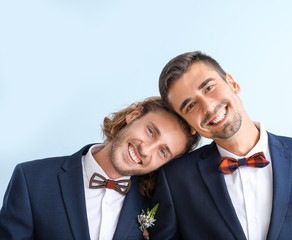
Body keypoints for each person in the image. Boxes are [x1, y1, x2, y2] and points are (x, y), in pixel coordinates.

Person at [150, 51, 292, 239]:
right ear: (189, 125)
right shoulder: (175, 178)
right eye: (191, 105)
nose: (209, 106)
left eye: (209, 87)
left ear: (233, 83)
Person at [0, 96, 200, 240]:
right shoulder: (31, 179)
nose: (146, 150)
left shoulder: (160, 204)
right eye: (150, 131)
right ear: (134, 115)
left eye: (163, 152)